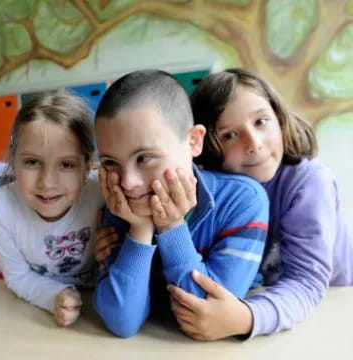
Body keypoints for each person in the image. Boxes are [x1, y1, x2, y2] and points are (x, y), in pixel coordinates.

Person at [165, 68, 353, 341]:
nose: (253, 143)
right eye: (229, 135)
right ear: (203, 146)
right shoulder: (213, 190)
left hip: (333, 301)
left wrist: (246, 318)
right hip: (264, 292)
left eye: (261, 121)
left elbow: (306, 281)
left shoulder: (308, 182)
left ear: (279, 118)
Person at [92, 70, 269, 338]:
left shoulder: (243, 201)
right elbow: (122, 321)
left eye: (144, 158)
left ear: (193, 141)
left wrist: (172, 226)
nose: (128, 182)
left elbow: (209, 314)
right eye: (111, 163)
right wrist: (139, 228)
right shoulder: (120, 204)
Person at [0, 92, 104, 327]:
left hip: (104, 309)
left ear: (88, 164)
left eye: (66, 164)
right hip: (38, 317)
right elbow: (17, 277)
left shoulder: (102, 193)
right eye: (32, 162)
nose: (47, 183)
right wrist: (53, 297)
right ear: (13, 158)